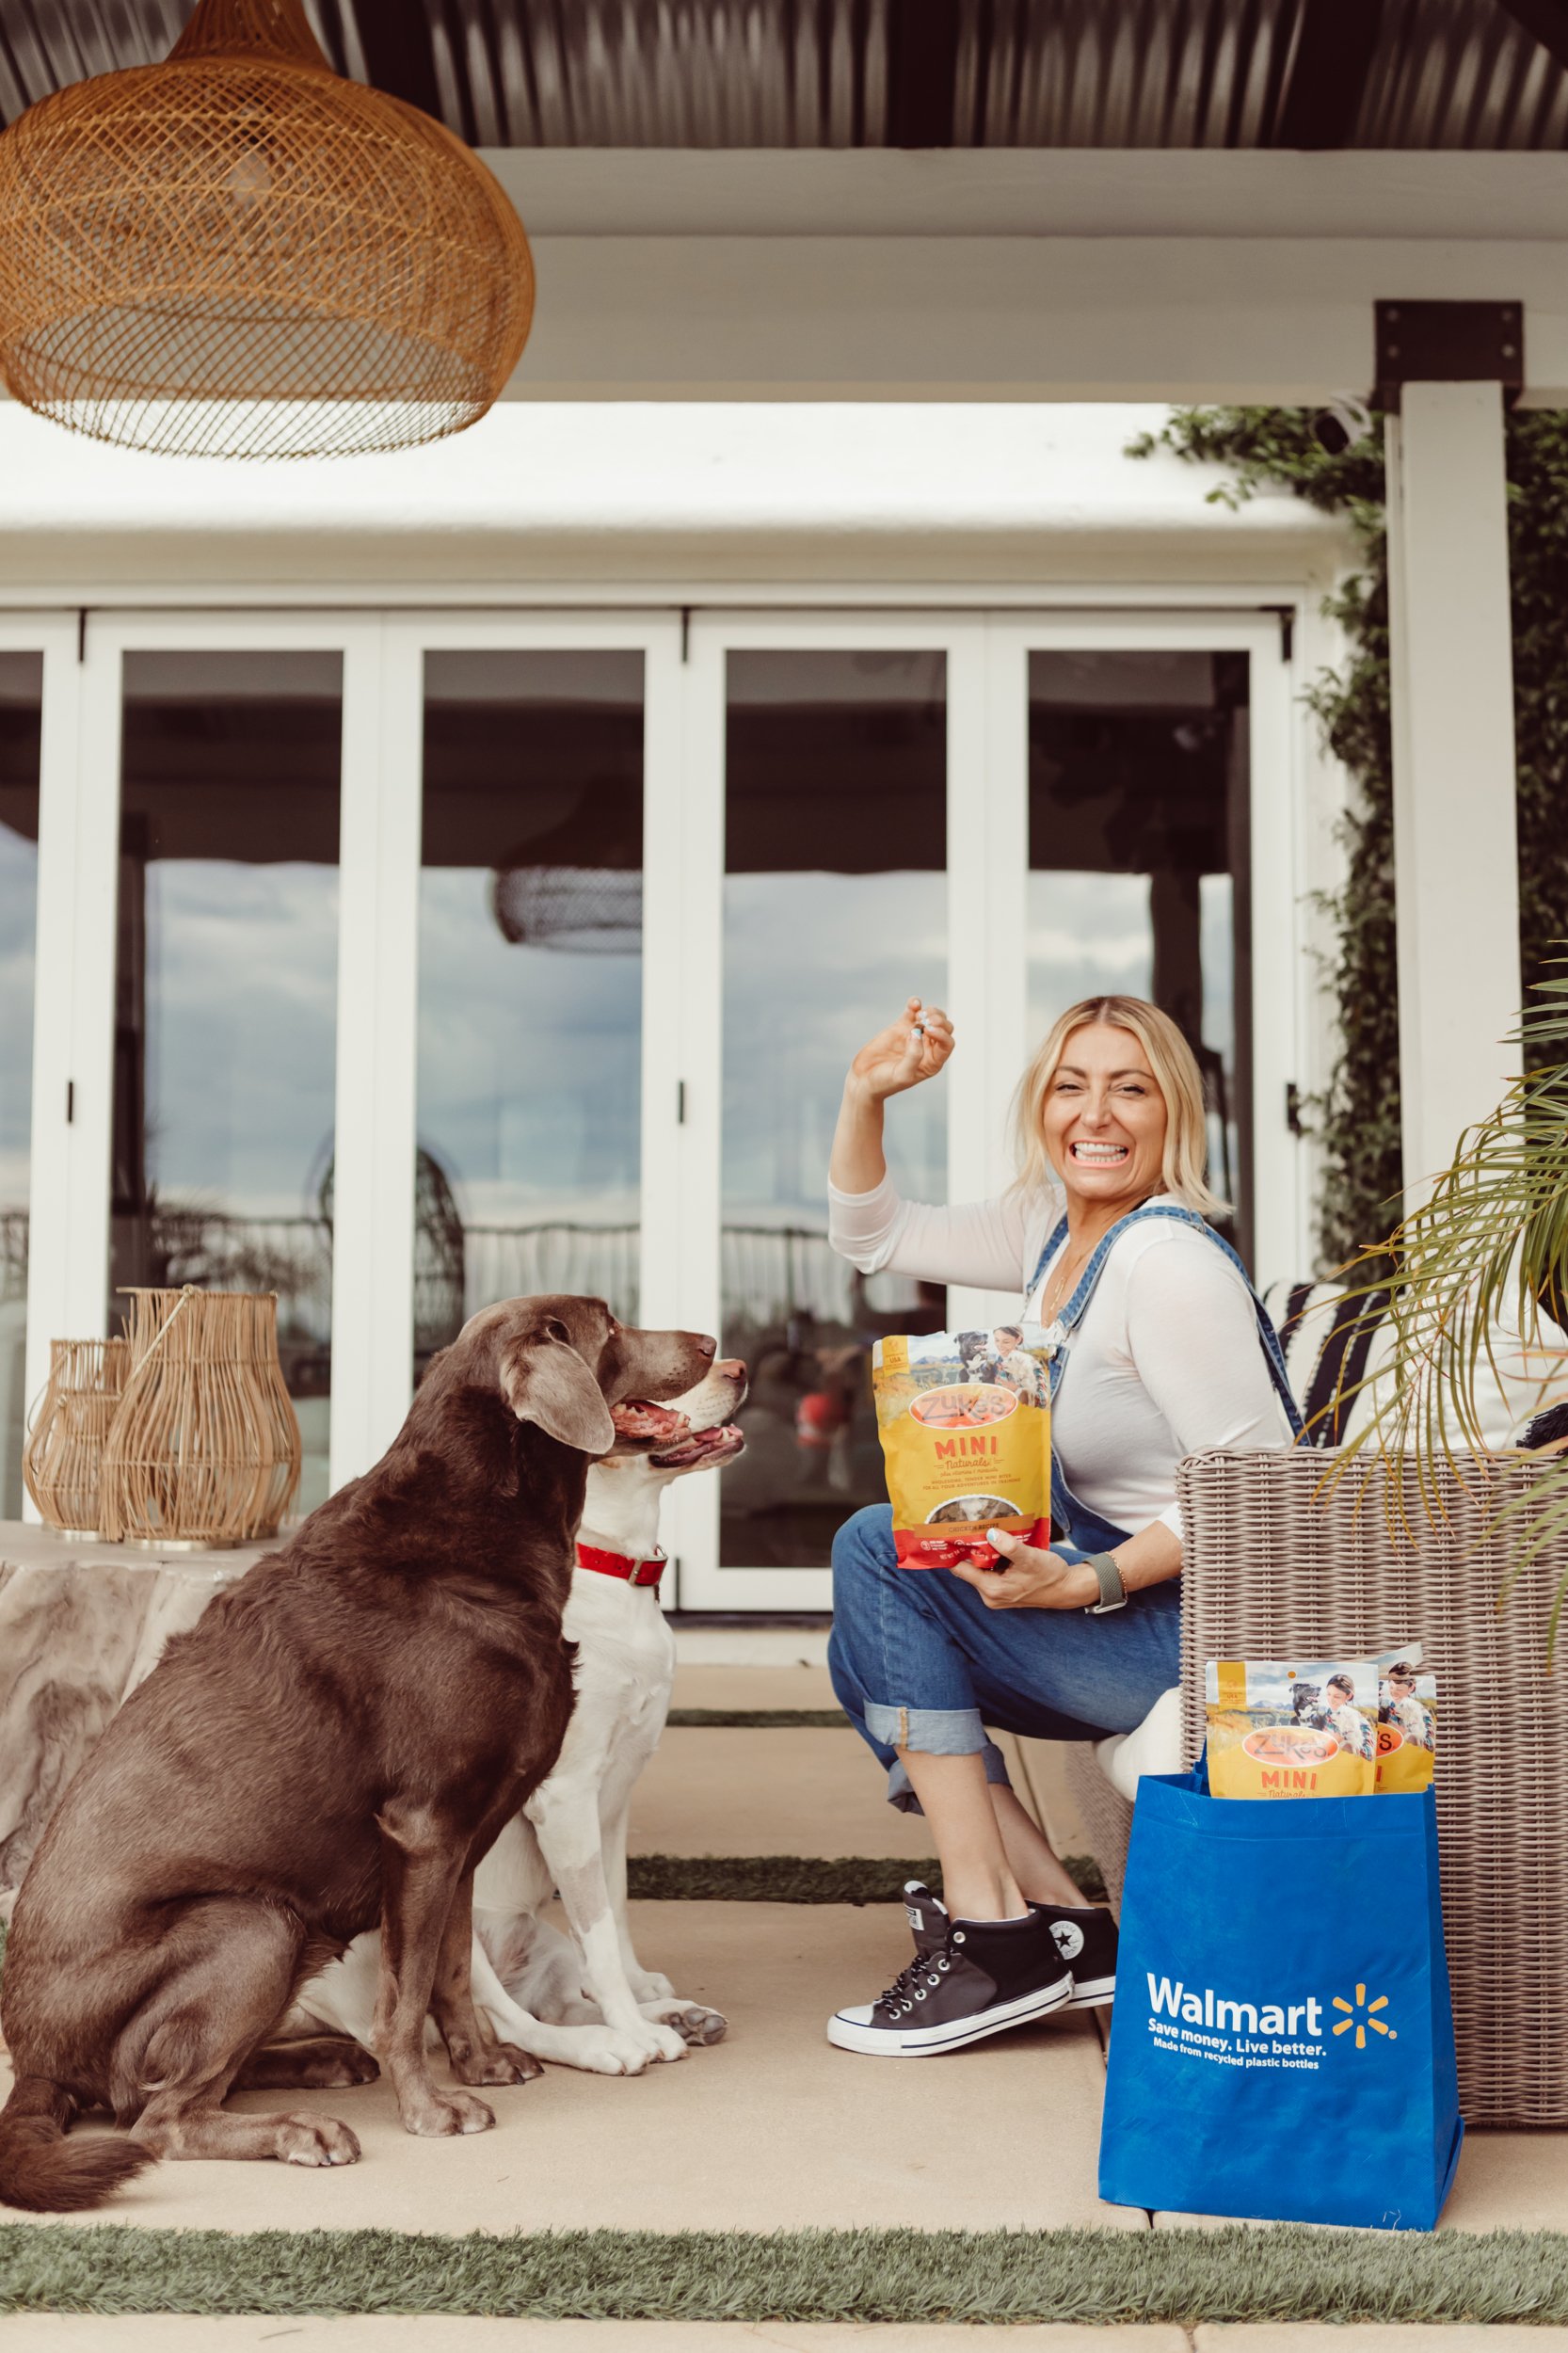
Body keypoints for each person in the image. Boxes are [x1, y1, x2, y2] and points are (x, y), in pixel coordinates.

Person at [823, 991, 1300, 2057]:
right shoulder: (1054, 1229)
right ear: (1041, 1106)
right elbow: (874, 1233)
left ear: (1173, 1111)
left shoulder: (1164, 1263)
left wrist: (1086, 1583)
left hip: (1200, 1633)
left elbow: (1256, 1493)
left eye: (1130, 1087)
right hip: (1133, 1611)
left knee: (872, 1551)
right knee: (864, 1646)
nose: (1099, 1113)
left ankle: (993, 1929)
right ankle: (1064, 1926)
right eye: (1071, 1086)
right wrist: (867, 1091)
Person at [1383, 1662, 1435, 1752]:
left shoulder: (1420, 1711)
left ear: (1411, 1688)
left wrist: (1405, 1733)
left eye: (1399, 1689)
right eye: (1391, 1688)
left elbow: (1430, 1744)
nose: (1394, 1693)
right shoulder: (1386, 1709)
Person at [1323, 1673, 1375, 1763]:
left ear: (1349, 1696)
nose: (1331, 1700)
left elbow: (1369, 1755)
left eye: (1337, 1696)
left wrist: (1342, 1742)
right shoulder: (1322, 1718)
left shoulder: (1359, 1721)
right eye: (1328, 1694)